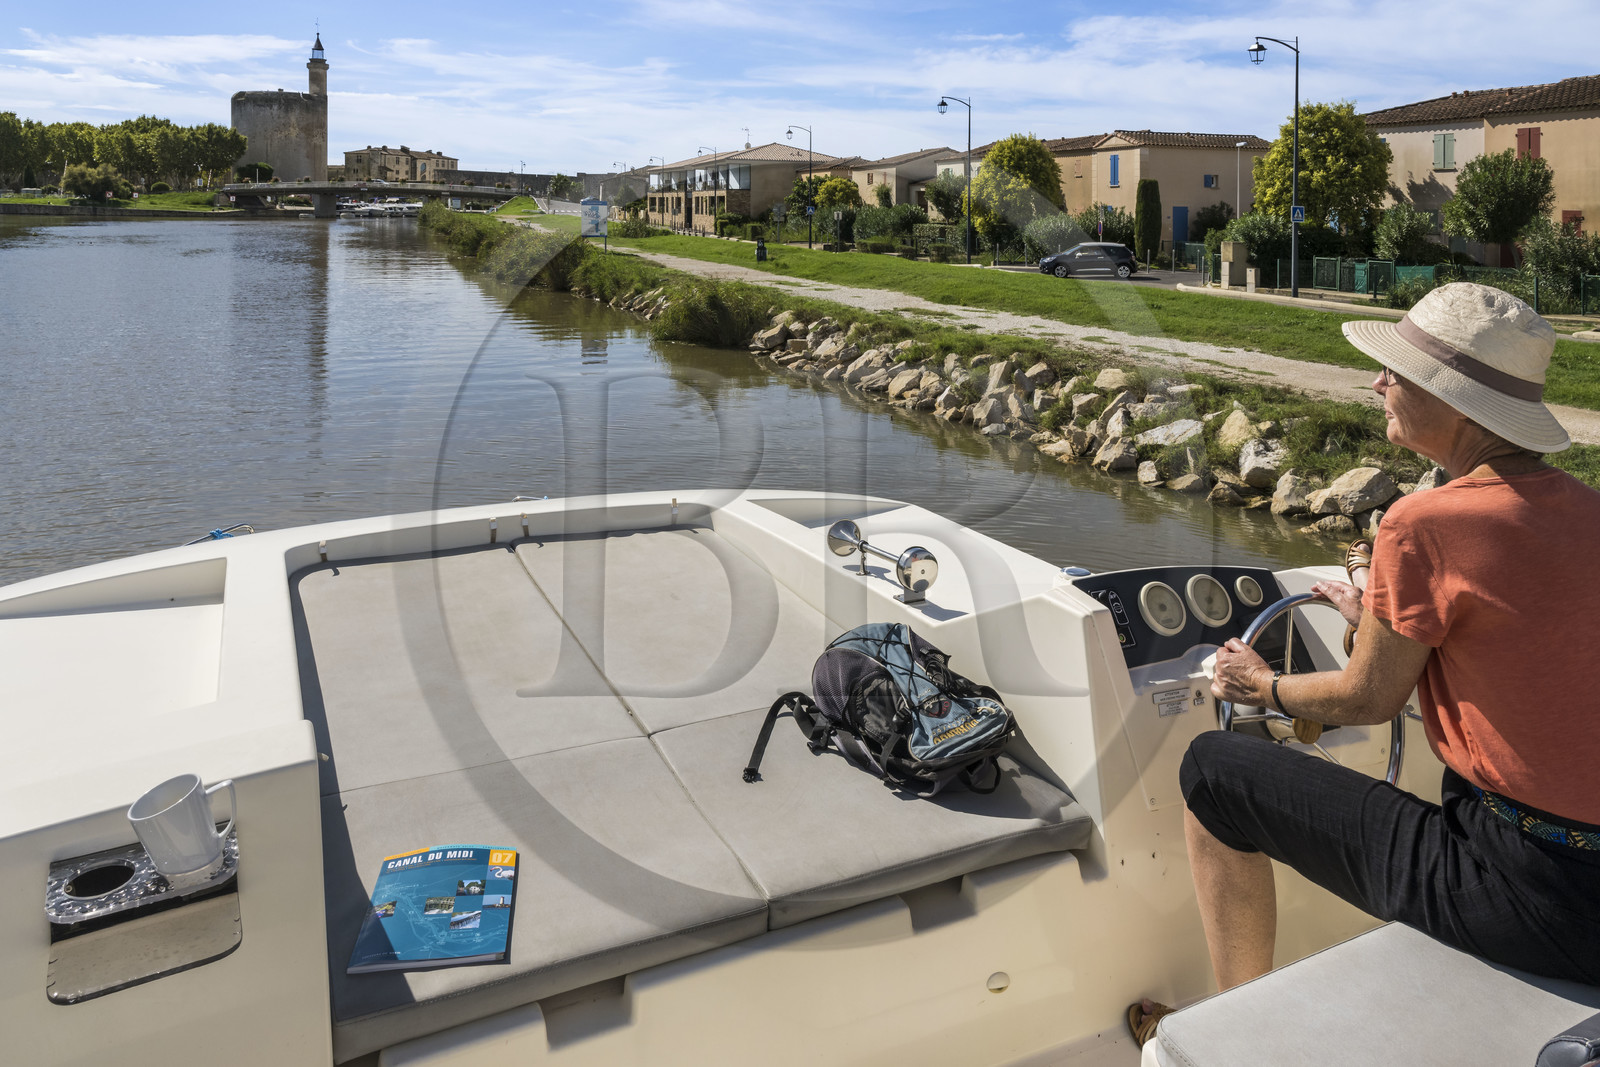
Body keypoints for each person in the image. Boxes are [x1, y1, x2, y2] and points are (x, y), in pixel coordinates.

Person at [1130, 283, 1600, 1045]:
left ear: (1455, 402)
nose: (1378, 383)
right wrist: (1372, 624)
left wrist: (1262, 684)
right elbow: (1516, 663)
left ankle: (1233, 1029)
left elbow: (1366, 699)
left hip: (1525, 891)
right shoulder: (1586, 510)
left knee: (1214, 771)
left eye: (1397, 372)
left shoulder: (1425, 521)